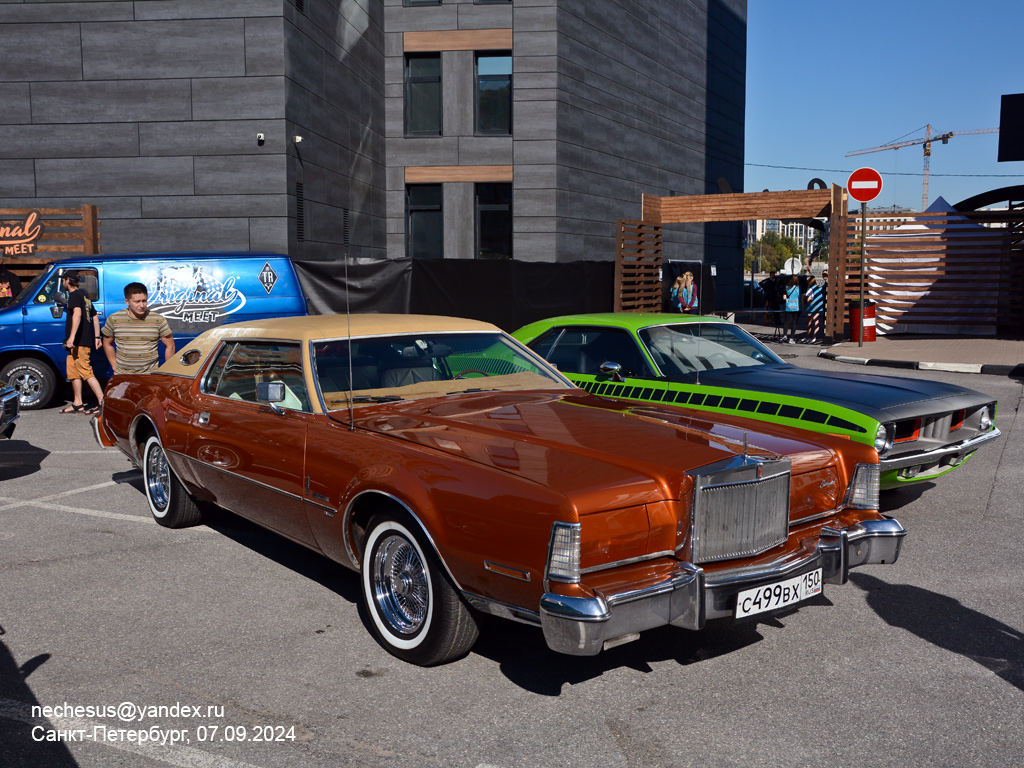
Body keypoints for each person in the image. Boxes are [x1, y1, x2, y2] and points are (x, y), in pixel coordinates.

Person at [102, 282, 175, 374]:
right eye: (137, 302)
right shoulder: (114, 319)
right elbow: (107, 343)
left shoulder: (158, 320)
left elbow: (170, 345)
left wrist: (168, 370)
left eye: (144, 301)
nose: (141, 305)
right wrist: (114, 366)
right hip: (123, 375)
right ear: (127, 302)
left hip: (149, 375)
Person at [60, 272, 104, 414]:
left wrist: (71, 337)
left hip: (79, 342)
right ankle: (78, 403)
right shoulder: (84, 295)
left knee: (86, 371)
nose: (63, 283)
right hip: (77, 344)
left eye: (63, 280)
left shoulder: (74, 296)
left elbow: (77, 314)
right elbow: (95, 316)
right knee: (73, 372)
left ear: (67, 280)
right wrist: (97, 337)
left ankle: (103, 402)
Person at [802, 274, 824, 343]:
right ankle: (814, 337)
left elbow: (808, 299)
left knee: (809, 323)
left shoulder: (810, 289)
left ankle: (808, 336)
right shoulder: (819, 288)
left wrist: (804, 298)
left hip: (810, 308)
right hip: (818, 307)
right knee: (816, 321)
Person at [781, 275, 800, 344]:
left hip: (788, 307)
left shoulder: (787, 287)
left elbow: (784, 298)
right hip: (796, 307)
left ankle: (785, 335)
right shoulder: (798, 288)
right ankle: (791, 338)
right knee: (794, 323)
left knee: (787, 322)